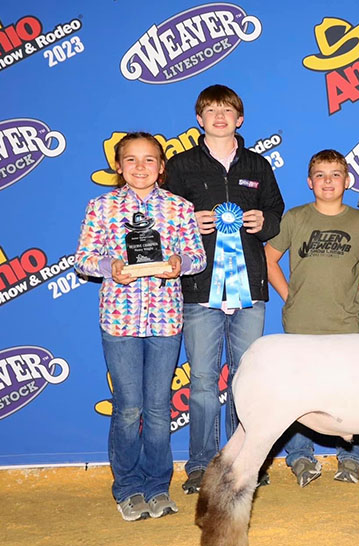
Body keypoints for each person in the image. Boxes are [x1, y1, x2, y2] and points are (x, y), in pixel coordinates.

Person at [75, 132, 206, 521]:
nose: (140, 167)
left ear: (161, 167)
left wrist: (180, 264)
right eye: (131, 160)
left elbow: (197, 256)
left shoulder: (179, 208)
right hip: (120, 320)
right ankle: (128, 487)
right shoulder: (102, 207)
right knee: (129, 407)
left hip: (165, 319)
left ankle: (157, 486)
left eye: (149, 159)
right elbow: (83, 258)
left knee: (159, 407)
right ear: (118, 166)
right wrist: (109, 267)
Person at [163, 85, 284, 494]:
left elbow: (276, 211)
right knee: (202, 380)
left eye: (227, 110)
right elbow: (164, 220)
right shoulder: (180, 166)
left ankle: (245, 460)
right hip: (200, 288)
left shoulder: (258, 164)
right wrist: (186, 225)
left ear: (239, 118)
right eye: (211, 111)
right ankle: (201, 464)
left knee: (247, 379)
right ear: (199, 119)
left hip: (249, 288)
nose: (219, 117)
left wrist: (263, 223)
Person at [265, 149, 359, 486]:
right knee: (298, 393)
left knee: (348, 391)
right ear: (309, 182)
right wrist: (289, 295)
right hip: (301, 322)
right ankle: (300, 457)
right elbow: (268, 259)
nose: (328, 181)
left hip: (344, 321)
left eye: (335, 174)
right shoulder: (295, 218)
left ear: (347, 181)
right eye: (320, 175)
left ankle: (350, 456)